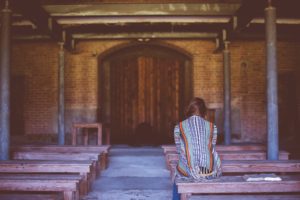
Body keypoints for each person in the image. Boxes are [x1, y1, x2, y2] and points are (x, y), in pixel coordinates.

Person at [172, 97, 221, 200]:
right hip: (208, 171)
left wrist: (192, 168)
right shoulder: (213, 127)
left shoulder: (179, 127)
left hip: (188, 172)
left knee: (176, 176)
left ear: (188, 110)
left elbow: (180, 151)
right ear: (204, 112)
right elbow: (212, 148)